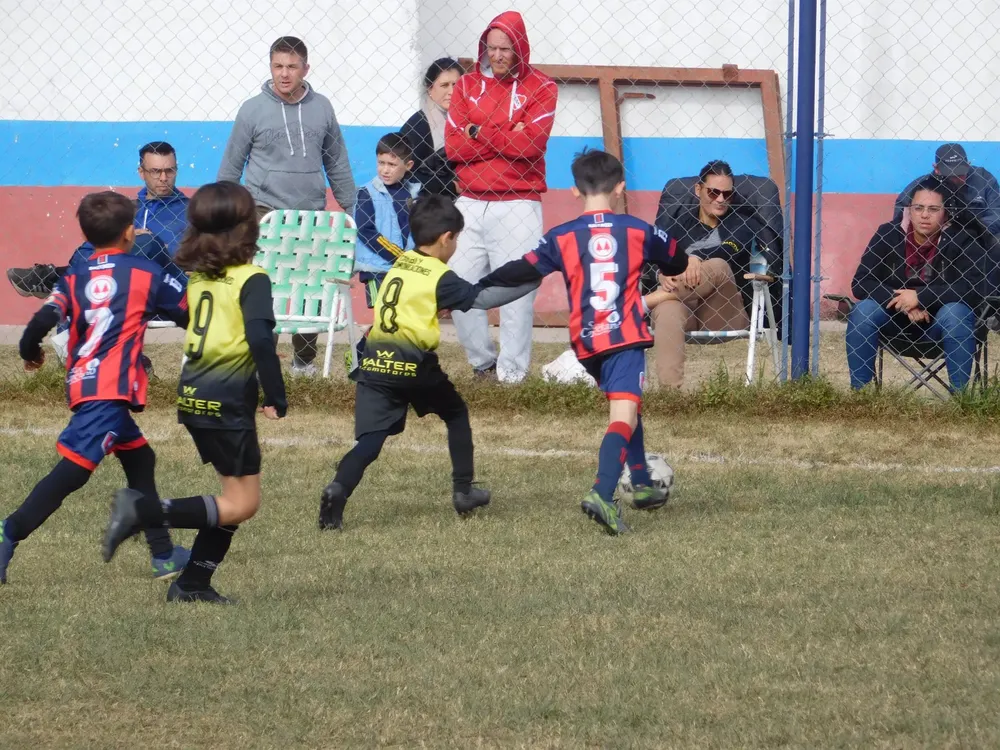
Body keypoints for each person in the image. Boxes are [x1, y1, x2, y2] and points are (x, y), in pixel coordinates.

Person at [476, 150, 689, 535]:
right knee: (622, 416)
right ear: (621, 187)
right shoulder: (637, 230)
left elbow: (520, 270)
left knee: (629, 408)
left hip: (587, 343)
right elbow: (677, 259)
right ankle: (602, 493)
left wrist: (477, 290)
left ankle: (640, 482)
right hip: (624, 338)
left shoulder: (561, 237)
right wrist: (663, 263)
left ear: (574, 190)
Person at [102, 182, 287, 604]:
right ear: (246, 229)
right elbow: (260, 338)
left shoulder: (201, 277)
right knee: (242, 504)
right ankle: (144, 513)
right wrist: (275, 394)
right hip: (226, 399)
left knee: (231, 500)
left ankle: (192, 584)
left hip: (195, 394)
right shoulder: (252, 278)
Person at [0, 191, 190, 584]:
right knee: (73, 472)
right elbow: (188, 311)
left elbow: (38, 323)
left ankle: (163, 555)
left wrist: (30, 353)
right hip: (109, 392)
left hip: (86, 384)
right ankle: (9, 531)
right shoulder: (144, 271)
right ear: (128, 233)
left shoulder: (76, 276)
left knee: (141, 461)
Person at [317, 195, 537, 531]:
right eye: (457, 240)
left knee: (371, 440)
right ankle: (463, 491)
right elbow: (481, 298)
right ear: (447, 237)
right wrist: (531, 282)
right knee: (455, 413)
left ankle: (338, 488)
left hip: (375, 360)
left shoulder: (402, 262)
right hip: (413, 363)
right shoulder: (439, 274)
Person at [217, 35, 356, 376]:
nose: (284, 74)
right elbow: (231, 165)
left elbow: (336, 161)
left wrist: (354, 209)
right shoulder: (252, 109)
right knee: (262, 290)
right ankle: (257, 360)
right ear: (270, 67)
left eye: (292, 67)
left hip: (311, 215)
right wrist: (222, 216)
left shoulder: (322, 107)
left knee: (312, 289)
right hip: (263, 213)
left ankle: (304, 363)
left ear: (305, 69)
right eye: (278, 66)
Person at [444, 11, 558, 383]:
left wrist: (478, 130)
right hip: (470, 202)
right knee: (458, 288)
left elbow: (531, 146)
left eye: (505, 48)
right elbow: (454, 148)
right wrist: (507, 132)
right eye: (491, 48)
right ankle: (483, 365)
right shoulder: (464, 86)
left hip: (519, 203)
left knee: (517, 296)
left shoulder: (542, 88)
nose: (497, 55)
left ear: (520, 47)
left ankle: (513, 375)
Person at [848, 176, 985, 392]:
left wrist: (921, 297)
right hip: (894, 321)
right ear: (909, 210)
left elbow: (973, 288)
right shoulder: (888, 234)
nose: (924, 215)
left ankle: (960, 400)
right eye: (918, 207)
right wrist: (903, 300)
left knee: (956, 312)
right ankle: (860, 394)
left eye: (933, 209)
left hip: (940, 324)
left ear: (946, 212)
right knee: (863, 310)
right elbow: (861, 283)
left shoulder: (963, 239)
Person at [8, 141, 189, 299]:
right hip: (116, 282)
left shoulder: (190, 210)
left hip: (167, 284)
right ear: (142, 173)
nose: (164, 178)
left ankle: (55, 279)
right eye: (156, 172)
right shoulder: (129, 208)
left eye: (169, 171)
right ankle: (58, 280)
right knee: (107, 235)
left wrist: (144, 243)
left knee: (147, 243)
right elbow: (85, 252)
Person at [647, 160, 754, 389]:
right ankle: (671, 396)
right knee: (667, 310)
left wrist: (691, 260)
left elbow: (728, 251)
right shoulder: (678, 225)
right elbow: (654, 259)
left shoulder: (743, 222)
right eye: (714, 192)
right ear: (698, 190)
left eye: (727, 194)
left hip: (723, 311)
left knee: (717, 264)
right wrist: (662, 274)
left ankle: (648, 301)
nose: (721, 200)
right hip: (685, 307)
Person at [354, 133, 420, 308]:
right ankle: (368, 338)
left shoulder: (413, 194)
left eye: (392, 164)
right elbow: (365, 231)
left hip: (408, 269)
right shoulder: (367, 193)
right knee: (383, 317)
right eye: (381, 163)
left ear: (408, 165)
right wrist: (398, 256)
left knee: (402, 318)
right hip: (378, 270)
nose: (385, 170)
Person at [893, 143, 1000, 238]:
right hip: (937, 238)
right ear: (936, 169)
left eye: (961, 173)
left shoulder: (984, 179)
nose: (957, 179)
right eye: (951, 175)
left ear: (968, 165)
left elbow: (997, 214)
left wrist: (975, 230)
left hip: (978, 236)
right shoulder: (922, 186)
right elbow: (901, 212)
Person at [401, 58, 463, 198]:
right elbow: (405, 174)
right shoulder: (419, 126)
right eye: (444, 85)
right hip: (431, 206)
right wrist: (449, 185)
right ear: (430, 88)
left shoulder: (467, 119)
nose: (452, 91)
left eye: (456, 84)